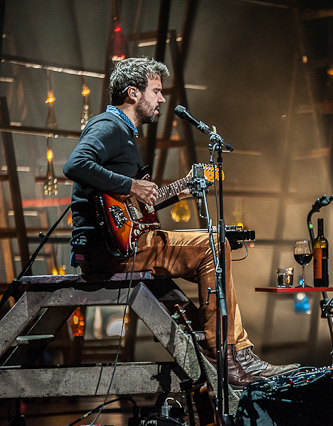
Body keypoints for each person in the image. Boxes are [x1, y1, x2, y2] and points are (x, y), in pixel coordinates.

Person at [63, 57, 297, 386]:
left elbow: (127, 208)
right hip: (111, 252)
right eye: (156, 91)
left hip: (120, 245)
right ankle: (230, 355)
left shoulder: (122, 134)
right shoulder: (109, 126)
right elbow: (75, 164)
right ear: (133, 93)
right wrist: (131, 184)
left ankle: (231, 350)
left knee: (212, 243)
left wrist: (178, 191)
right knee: (213, 245)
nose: (161, 99)